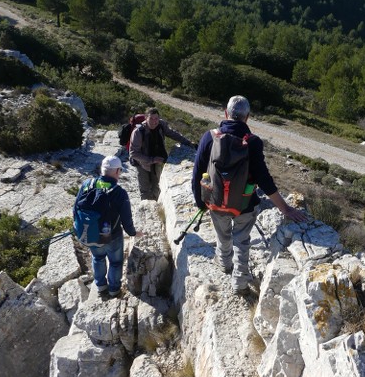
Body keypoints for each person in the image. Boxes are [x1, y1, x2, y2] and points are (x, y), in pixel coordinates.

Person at [192, 95, 307, 295]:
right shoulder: (252, 142)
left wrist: (200, 202)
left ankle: (225, 263)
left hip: (215, 202)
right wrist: (285, 208)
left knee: (223, 236)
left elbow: (197, 172)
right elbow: (264, 179)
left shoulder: (209, 137)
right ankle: (239, 283)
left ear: (226, 113)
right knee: (242, 242)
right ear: (247, 117)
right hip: (244, 205)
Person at [76, 155, 143, 298]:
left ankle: (100, 286)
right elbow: (126, 219)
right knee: (116, 262)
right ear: (117, 171)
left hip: (91, 233)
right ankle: (113, 289)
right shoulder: (119, 193)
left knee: (97, 258)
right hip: (112, 235)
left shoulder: (87, 184)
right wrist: (132, 233)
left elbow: (76, 208)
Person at [129, 107, 197, 201]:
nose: (154, 121)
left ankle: (157, 206)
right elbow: (133, 153)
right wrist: (152, 159)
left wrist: (187, 142)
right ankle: (147, 209)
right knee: (145, 189)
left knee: (157, 186)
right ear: (146, 118)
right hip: (142, 164)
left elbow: (172, 133)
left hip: (158, 161)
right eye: (151, 119)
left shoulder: (161, 125)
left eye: (156, 118)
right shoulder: (138, 132)